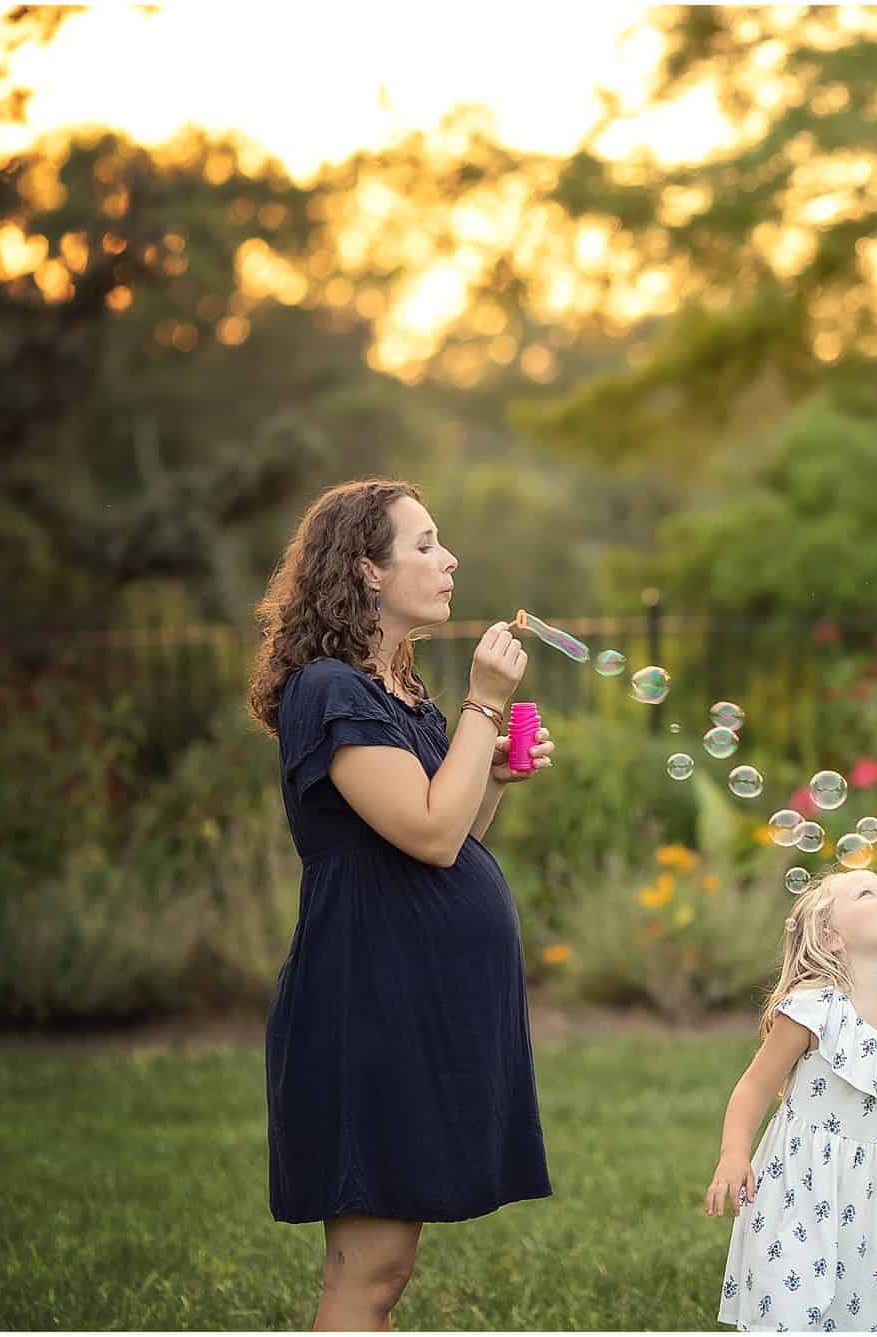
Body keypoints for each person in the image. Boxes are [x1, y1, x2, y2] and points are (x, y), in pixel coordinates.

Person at [246, 478, 555, 1331]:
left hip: (412, 996)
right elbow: (428, 835)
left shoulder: (401, 695)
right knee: (369, 1267)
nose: (448, 557)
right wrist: (485, 703)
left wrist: (485, 768)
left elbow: (458, 834)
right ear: (365, 570)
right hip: (368, 995)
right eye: (423, 544)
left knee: (387, 1261)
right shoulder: (329, 690)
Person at [704, 870, 877, 1331]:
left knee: (870, 1309)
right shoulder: (815, 1009)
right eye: (867, 893)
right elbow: (753, 1087)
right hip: (798, 1190)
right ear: (831, 938)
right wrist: (733, 1155)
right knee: (792, 1307)